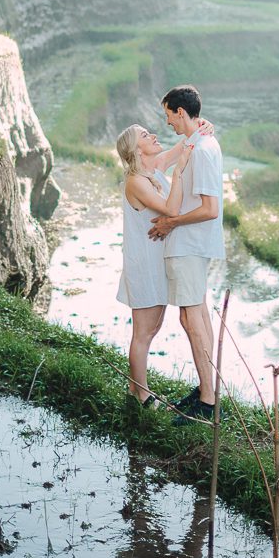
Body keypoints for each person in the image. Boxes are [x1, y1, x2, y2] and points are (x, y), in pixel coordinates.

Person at [148, 84, 224, 424]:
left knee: (193, 320)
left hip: (190, 243)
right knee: (196, 317)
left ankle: (207, 401)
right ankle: (208, 389)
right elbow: (171, 156)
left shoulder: (204, 149)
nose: (167, 124)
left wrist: (170, 222)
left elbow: (210, 209)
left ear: (181, 112)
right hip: (190, 244)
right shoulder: (196, 142)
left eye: (169, 116)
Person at [115, 124, 193, 406]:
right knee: (143, 332)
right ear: (136, 149)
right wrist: (179, 173)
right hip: (144, 264)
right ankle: (141, 396)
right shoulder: (136, 181)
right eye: (145, 136)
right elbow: (171, 210)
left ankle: (135, 390)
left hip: (155, 262)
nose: (154, 136)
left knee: (152, 329)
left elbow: (184, 147)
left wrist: (199, 129)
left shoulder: (152, 169)